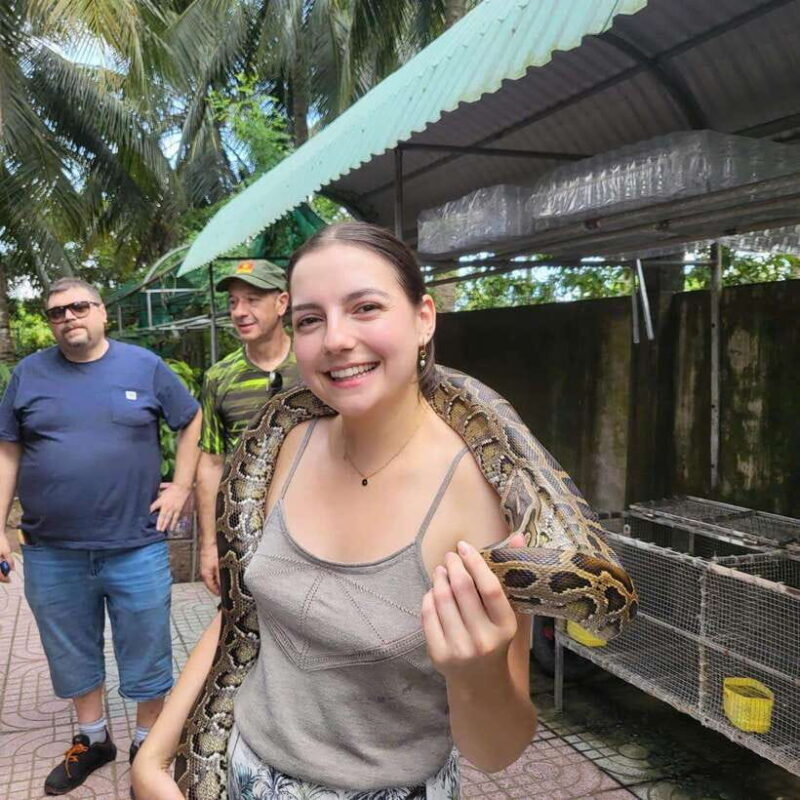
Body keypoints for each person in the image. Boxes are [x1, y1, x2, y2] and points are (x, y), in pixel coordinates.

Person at [132, 223, 537, 799]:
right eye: (309, 320)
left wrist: (477, 673)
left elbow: (497, 751)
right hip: (241, 773)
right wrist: (154, 755)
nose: (336, 340)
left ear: (425, 317)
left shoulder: (489, 502)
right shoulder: (283, 448)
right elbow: (241, 614)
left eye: (365, 307)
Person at [0, 278, 202, 796]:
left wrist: (180, 487)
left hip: (135, 542)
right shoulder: (28, 375)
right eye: (56, 312)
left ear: (102, 313)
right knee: (69, 648)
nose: (68, 317)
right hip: (51, 550)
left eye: (79, 307)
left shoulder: (144, 366)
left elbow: (191, 418)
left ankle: (146, 742)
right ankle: (92, 740)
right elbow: (7, 452)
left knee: (147, 645)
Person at [196, 258, 300, 596]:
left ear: (282, 302)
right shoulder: (218, 377)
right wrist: (211, 546)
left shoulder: (315, 361)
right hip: (246, 531)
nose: (239, 311)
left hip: (317, 520)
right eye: (233, 302)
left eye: (252, 300)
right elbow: (211, 463)